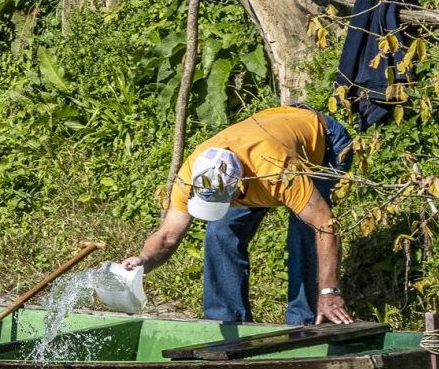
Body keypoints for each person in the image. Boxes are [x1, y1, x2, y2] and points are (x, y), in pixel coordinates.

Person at [121, 105, 354, 325]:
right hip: (274, 130)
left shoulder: (275, 171)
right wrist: (145, 260)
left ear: (240, 185)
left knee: (304, 233)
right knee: (220, 230)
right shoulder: (194, 172)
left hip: (326, 146)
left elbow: (325, 226)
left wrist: (329, 291)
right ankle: (226, 320)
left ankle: (303, 322)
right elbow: (167, 236)